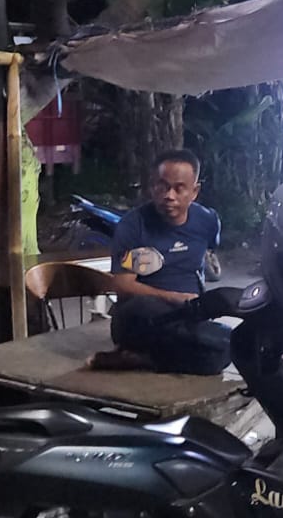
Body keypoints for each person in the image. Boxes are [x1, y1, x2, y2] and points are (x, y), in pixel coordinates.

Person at [91, 150, 230, 375]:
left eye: (179, 188)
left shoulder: (207, 221)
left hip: (187, 316)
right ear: (152, 187)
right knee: (143, 308)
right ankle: (169, 350)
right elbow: (123, 285)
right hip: (140, 317)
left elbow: (205, 260)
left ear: (194, 192)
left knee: (223, 349)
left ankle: (142, 359)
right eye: (162, 187)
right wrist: (174, 298)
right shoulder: (134, 226)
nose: (169, 195)